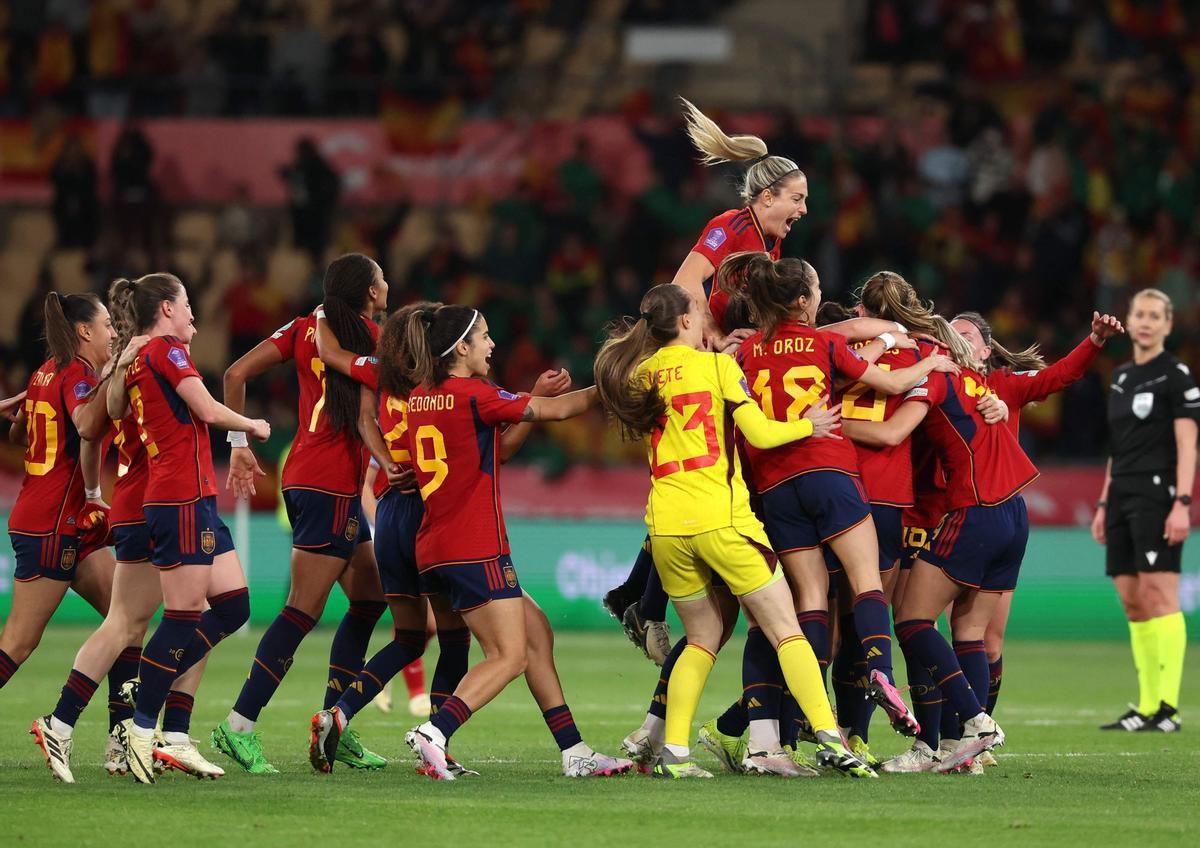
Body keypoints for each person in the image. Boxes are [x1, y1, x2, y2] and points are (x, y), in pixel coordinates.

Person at [594, 283, 876, 779]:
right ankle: (833, 738)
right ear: (684, 322)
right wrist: (809, 425)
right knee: (786, 627)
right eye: (700, 311)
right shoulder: (719, 367)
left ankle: (674, 754)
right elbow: (762, 434)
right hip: (721, 520)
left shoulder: (638, 375)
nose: (708, 318)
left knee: (701, 637)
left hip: (665, 526)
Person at [393, 304, 633, 780]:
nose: (492, 344)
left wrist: (529, 397)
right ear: (460, 348)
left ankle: (574, 751)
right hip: (475, 545)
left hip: (437, 545)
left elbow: (493, 451)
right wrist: (616, 380)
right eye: (484, 336)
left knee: (536, 632)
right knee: (509, 655)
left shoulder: (421, 397)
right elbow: (562, 410)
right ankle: (434, 733)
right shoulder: (475, 394)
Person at [213, 253, 389, 773]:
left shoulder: (303, 328)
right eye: (380, 279)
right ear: (369, 294)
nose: (387, 284)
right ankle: (239, 725)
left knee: (370, 596)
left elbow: (234, 372)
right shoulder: (372, 342)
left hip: (310, 475)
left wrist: (238, 442)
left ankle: (337, 719)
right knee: (302, 609)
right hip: (330, 483)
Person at [109, 273, 268, 784]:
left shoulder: (140, 357)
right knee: (181, 616)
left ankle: (149, 687)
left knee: (234, 604)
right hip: (178, 498)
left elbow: (117, 409)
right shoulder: (166, 352)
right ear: (167, 310)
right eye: (187, 306)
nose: (194, 316)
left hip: (193, 497)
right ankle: (141, 729)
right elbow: (204, 407)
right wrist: (252, 426)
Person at [3, 294, 115, 702]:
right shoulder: (79, 376)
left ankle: (122, 737)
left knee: (125, 622)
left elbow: (19, 434)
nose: (114, 332)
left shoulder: (44, 373)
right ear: (84, 331)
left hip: (63, 519)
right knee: (18, 643)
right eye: (107, 324)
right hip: (50, 523)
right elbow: (86, 426)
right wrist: (110, 385)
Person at [1094, 289, 1197, 733]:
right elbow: (1118, 449)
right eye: (1140, 314)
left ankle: (1167, 709)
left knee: (1160, 595)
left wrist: (1183, 503)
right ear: (1131, 320)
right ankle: (1146, 705)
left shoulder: (1176, 376)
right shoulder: (1119, 377)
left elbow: (1188, 443)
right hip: (1121, 496)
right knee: (1132, 601)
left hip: (1159, 493)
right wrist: (1102, 502)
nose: (1147, 322)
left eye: (1156, 316)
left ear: (1168, 325)